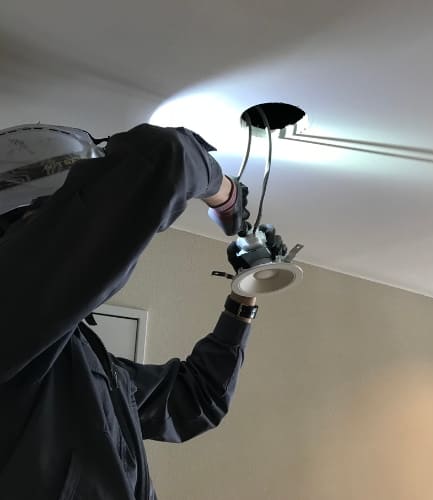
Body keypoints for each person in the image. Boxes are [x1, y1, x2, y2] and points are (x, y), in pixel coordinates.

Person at [0, 123, 277, 500]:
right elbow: (164, 156)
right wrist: (227, 196)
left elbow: (196, 400)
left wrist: (245, 295)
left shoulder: (80, 370)